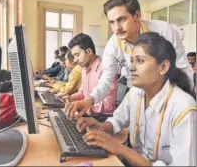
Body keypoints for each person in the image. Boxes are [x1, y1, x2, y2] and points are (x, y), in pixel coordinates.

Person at [71, 32, 196, 166]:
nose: (131, 67)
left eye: (140, 61)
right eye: (131, 60)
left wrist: (121, 149)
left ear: (163, 67)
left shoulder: (183, 107)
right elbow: (117, 121)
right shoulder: (135, 93)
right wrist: (100, 126)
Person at [65, 0, 194, 120]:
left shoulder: (164, 31)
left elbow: (183, 68)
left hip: (169, 95)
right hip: (138, 94)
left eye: (122, 19)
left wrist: (185, 103)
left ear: (137, 15)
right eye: (112, 22)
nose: (117, 28)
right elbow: (106, 81)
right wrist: (89, 100)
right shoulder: (113, 44)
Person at [65, 33, 117, 117]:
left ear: (89, 51)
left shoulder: (106, 69)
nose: (75, 60)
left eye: (77, 55)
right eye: (74, 56)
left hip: (102, 118)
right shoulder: (84, 69)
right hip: (87, 113)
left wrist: (85, 106)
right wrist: (71, 98)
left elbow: (108, 105)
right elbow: (82, 93)